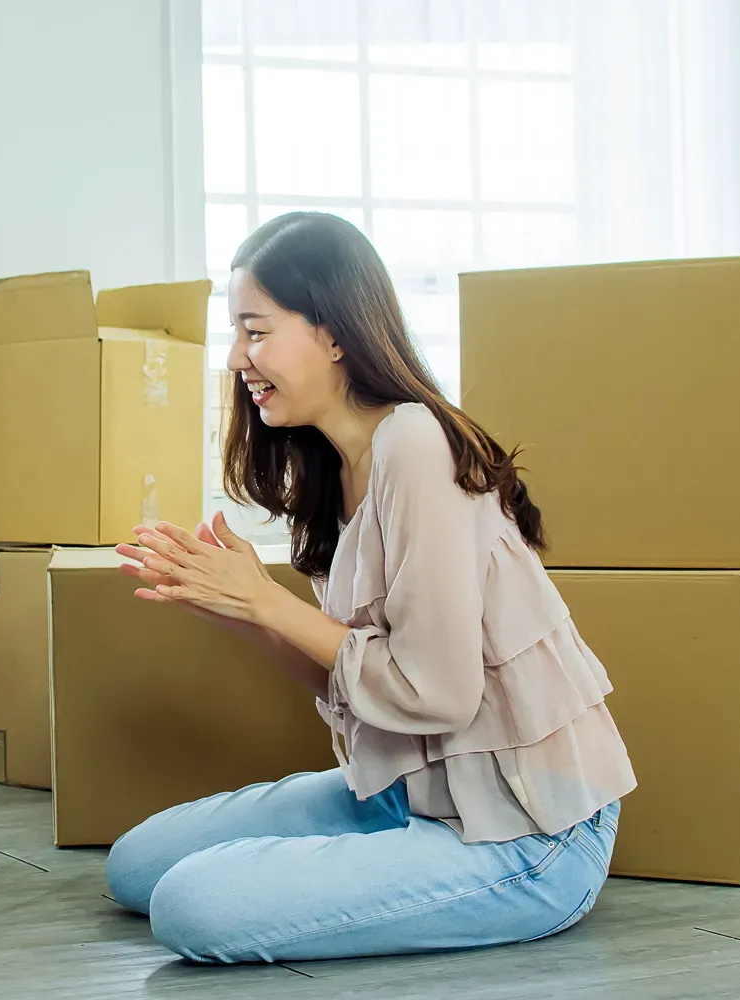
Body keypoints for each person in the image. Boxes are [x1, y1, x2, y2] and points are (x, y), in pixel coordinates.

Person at [105, 212, 636, 964]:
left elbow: (438, 692)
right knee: (135, 866)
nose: (234, 358)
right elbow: (354, 679)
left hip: (529, 830)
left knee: (189, 904)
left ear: (334, 333)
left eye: (254, 331)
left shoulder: (414, 443)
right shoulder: (332, 472)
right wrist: (240, 611)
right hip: (408, 787)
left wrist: (267, 602)